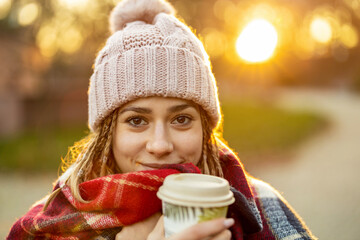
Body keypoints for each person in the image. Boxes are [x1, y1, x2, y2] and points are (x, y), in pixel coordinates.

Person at [7, 0, 317, 239]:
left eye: (181, 119)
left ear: (205, 129)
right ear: (107, 134)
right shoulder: (53, 220)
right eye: (137, 121)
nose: (159, 145)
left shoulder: (261, 205)